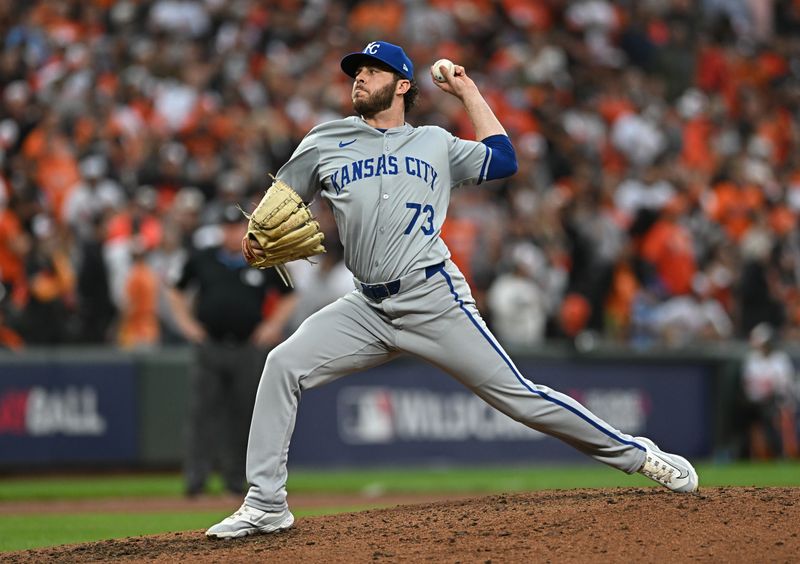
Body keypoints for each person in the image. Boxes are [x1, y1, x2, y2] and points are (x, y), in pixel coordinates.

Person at [206, 41, 699, 539]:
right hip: (366, 307)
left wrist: (467, 90)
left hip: (433, 299)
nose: (359, 78)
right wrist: (255, 238)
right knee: (282, 365)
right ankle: (266, 502)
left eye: (373, 71)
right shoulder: (324, 139)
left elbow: (503, 159)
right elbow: (280, 200)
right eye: (357, 71)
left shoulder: (435, 143)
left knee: (521, 399)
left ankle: (640, 455)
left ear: (402, 86)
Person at [167, 204, 297, 497]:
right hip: (210, 344)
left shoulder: (261, 259)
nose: (231, 233)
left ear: (246, 230)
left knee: (244, 415)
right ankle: (195, 481)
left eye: (236, 227)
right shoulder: (203, 258)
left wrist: (272, 325)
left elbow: (290, 293)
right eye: (226, 228)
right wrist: (186, 324)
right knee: (202, 414)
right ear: (220, 231)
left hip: (246, 346)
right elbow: (175, 289)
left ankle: (236, 481)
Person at [741, 323, 799, 459]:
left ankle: (781, 453)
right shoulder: (752, 359)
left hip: (777, 401)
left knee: (775, 416)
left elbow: (784, 385)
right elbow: (749, 384)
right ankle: (748, 454)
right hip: (754, 402)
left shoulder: (780, 359)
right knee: (747, 419)